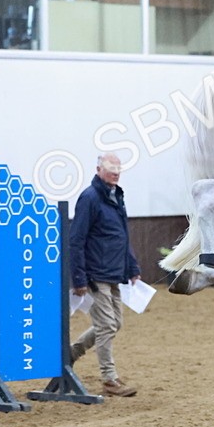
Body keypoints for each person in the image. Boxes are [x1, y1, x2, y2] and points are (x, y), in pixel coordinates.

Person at [69, 154, 141, 396]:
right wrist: (78, 278)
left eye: (118, 168)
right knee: (107, 325)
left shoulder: (115, 197)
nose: (116, 172)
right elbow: (76, 240)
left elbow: (122, 236)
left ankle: (70, 354)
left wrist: (132, 269)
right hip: (96, 274)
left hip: (113, 273)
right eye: (111, 168)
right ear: (98, 168)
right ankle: (109, 379)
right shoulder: (89, 198)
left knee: (113, 324)